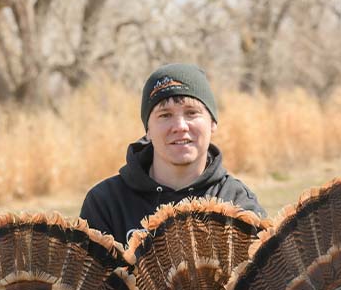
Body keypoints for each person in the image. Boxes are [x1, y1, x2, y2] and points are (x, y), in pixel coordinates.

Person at [81, 63, 266, 244]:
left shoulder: (236, 202)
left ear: (212, 123)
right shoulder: (106, 203)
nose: (180, 126)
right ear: (148, 129)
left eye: (192, 113)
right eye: (165, 115)